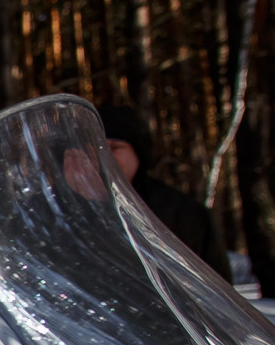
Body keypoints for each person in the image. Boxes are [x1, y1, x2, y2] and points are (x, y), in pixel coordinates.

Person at [98, 104, 233, 283]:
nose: (105, 156)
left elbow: (215, 287)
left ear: (138, 153)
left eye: (115, 147)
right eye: (96, 148)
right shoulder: (70, 208)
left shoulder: (180, 212)